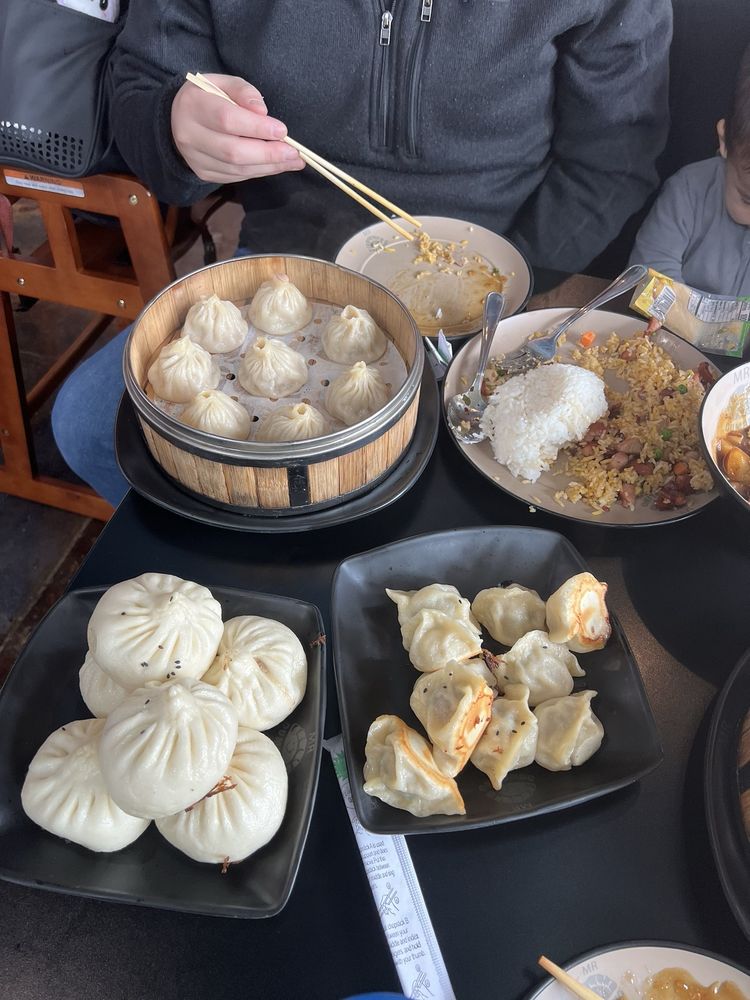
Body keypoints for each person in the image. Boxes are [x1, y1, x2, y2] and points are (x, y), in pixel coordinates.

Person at [53, 0, 672, 505]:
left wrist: (521, 277)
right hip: (290, 267)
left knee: (475, 482)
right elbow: (143, 76)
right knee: (86, 425)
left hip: (502, 281)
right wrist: (172, 124)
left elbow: (614, 157)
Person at [630, 41, 750, 297]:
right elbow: (648, 276)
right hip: (670, 332)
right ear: (725, 140)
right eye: (747, 199)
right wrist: (692, 327)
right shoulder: (688, 190)